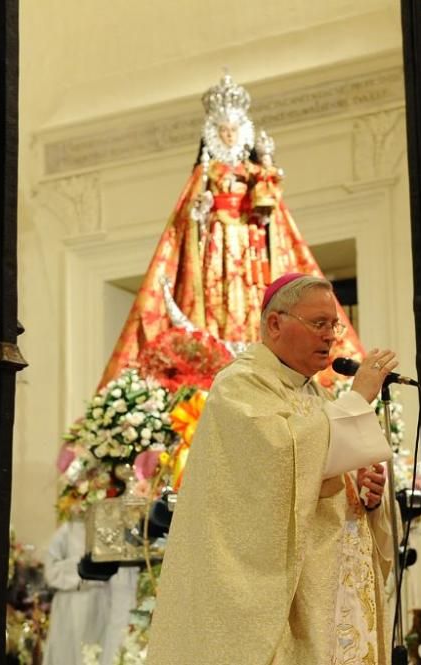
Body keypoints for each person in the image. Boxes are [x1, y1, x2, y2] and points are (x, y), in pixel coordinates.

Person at [147, 274, 397, 664]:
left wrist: (363, 490)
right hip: (286, 602)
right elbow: (278, 466)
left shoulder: (314, 392)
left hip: (332, 593)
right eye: (319, 323)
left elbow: (316, 464)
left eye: (334, 324)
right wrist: (359, 398)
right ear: (275, 324)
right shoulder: (240, 386)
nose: (331, 336)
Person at [98, 74, 363, 387]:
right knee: (216, 295)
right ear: (213, 133)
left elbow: (268, 205)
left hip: (248, 246)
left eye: (232, 130)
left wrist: (266, 165)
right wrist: (201, 212)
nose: (227, 135)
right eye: (222, 130)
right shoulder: (206, 172)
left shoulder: (251, 171)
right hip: (216, 245)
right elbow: (189, 220)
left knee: (251, 291)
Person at [42, 519, 141, 665]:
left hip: (100, 603)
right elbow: (51, 572)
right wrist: (81, 567)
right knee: (68, 653)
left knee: (95, 652)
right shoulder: (69, 529)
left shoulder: (115, 529)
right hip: (70, 603)